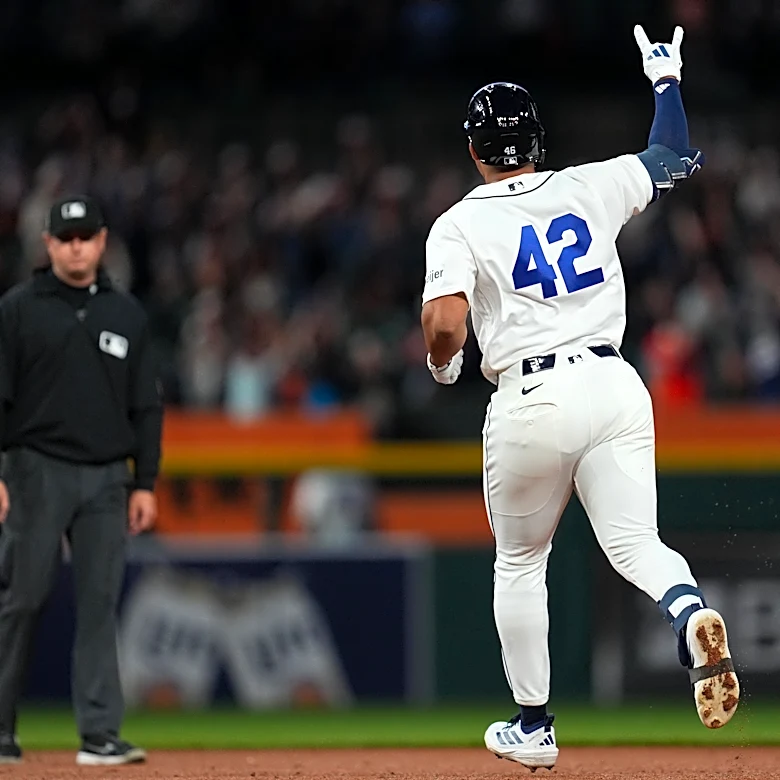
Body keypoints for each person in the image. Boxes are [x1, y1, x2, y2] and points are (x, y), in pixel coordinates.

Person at [420, 26, 739, 771]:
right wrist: (666, 82)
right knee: (635, 544)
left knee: (520, 562)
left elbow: (444, 323)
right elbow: (675, 157)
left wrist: (442, 363)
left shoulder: (459, 222)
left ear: (473, 149)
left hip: (531, 394)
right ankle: (689, 610)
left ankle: (534, 726)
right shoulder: (587, 185)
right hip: (614, 382)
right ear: (538, 138)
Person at [0, 195, 163, 766]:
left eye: (85, 237)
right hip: (35, 468)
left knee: (99, 603)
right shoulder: (17, 310)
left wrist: (145, 482)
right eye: (65, 238)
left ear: (102, 242)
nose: (75, 248)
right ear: (47, 243)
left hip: (107, 477)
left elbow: (147, 406)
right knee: (22, 598)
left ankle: (99, 734)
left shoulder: (127, 314)